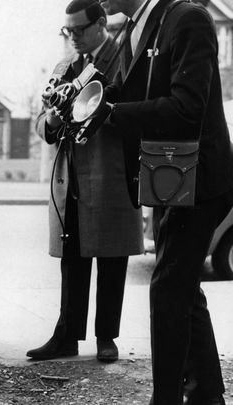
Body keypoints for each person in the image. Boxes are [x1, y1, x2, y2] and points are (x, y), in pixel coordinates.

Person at [100, 0, 233, 403]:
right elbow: (135, 90)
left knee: (169, 290)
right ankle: (207, 392)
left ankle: (167, 398)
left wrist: (113, 113)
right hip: (171, 179)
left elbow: (187, 107)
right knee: (183, 289)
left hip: (199, 181)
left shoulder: (188, 18)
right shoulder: (136, 26)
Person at [27, 0, 143, 363]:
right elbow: (41, 123)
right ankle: (67, 335)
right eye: (68, 31)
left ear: (100, 24)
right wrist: (52, 119)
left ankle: (106, 337)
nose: (73, 37)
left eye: (79, 30)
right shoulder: (64, 66)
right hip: (71, 173)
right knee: (71, 256)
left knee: (112, 255)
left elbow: (132, 108)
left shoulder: (123, 56)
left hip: (109, 169)